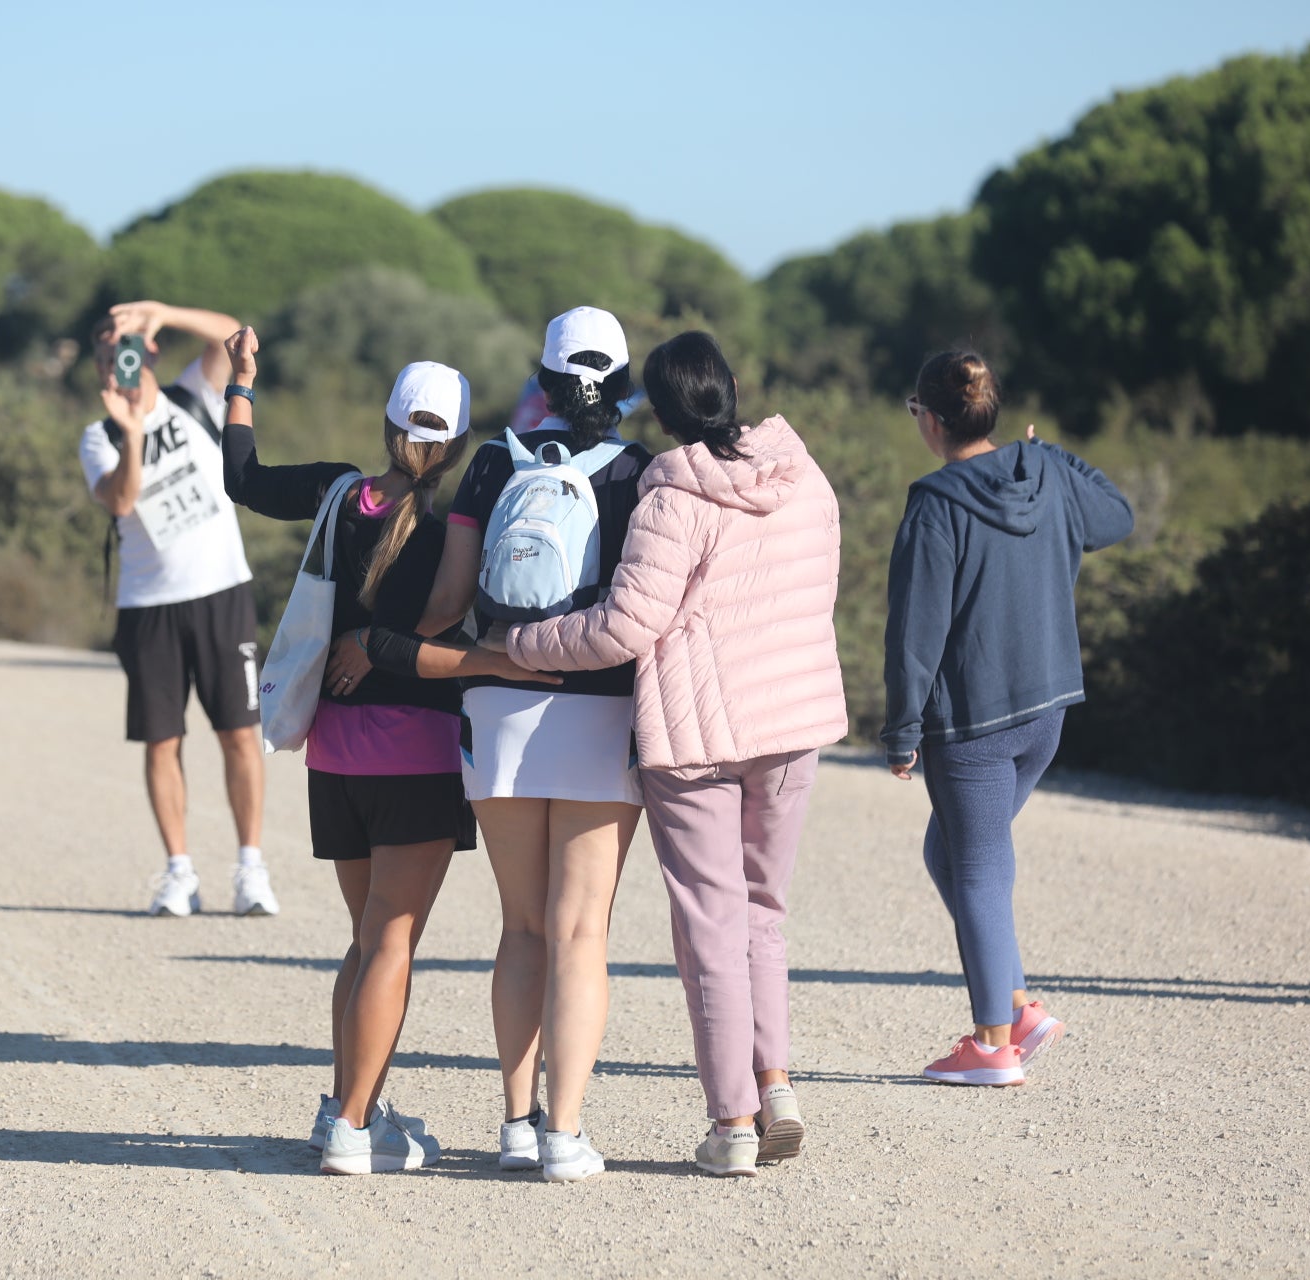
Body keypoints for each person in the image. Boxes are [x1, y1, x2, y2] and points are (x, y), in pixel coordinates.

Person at [500, 330, 847, 1177]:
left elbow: (623, 628)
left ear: (655, 411)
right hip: (794, 724)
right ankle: (777, 1086)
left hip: (696, 738)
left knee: (711, 926)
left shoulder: (671, 494)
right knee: (765, 908)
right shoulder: (807, 476)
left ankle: (732, 1124)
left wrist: (523, 644)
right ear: (732, 384)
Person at [218, 327, 555, 1175]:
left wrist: (243, 384)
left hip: (332, 757)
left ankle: (347, 1105)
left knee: (367, 943)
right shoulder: (456, 525)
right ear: (458, 441)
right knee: (390, 944)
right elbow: (442, 643)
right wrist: (497, 660)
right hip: (416, 755)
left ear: (388, 423)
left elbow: (241, 478)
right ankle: (355, 1129)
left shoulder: (339, 492)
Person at [329, 306, 654, 1182]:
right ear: (622, 383)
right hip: (597, 712)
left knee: (521, 927)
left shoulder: (491, 465)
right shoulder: (637, 471)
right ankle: (565, 1134)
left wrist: (388, 639)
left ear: (540, 379)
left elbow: (446, 600)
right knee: (581, 931)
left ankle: (516, 1122)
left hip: (497, 708)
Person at [882, 350, 1133, 1086]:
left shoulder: (935, 502)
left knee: (978, 869)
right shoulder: (1046, 472)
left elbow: (914, 634)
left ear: (929, 419)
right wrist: (1047, 452)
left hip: (974, 726)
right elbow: (1115, 515)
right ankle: (1019, 1008)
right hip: (1046, 714)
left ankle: (994, 1045)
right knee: (950, 853)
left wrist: (901, 732)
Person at [83, 299, 276, 918]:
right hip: (148, 605)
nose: (120, 355)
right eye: (108, 349)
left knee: (240, 735)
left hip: (221, 589)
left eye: (129, 344)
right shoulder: (99, 435)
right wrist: (133, 431)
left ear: (152, 349)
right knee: (161, 741)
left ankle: (251, 869)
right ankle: (179, 872)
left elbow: (236, 337)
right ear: (96, 365)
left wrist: (162, 312)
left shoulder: (193, 394)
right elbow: (120, 501)